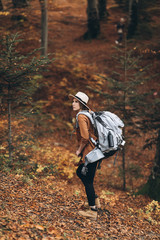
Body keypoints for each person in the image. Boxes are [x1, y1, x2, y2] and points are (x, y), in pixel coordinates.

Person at [69, 91, 101, 220]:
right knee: (84, 175)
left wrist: (79, 150)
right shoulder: (89, 113)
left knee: (86, 179)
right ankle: (95, 200)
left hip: (90, 152)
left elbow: (85, 137)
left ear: (81, 104)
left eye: (76, 102)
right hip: (96, 150)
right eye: (73, 101)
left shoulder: (81, 116)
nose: (73, 103)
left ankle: (92, 211)